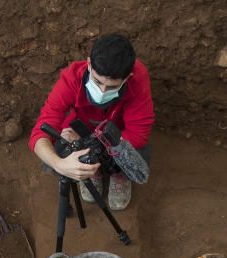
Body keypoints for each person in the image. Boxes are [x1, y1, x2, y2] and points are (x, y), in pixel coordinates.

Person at [29, 33, 154, 211]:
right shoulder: (72, 78)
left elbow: (138, 133)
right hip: (82, 126)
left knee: (134, 152)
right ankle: (93, 168)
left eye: (111, 86)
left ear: (127, 78)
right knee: (59, 144)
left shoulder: (138, 78)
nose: (102, 91)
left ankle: (117, 174)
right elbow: (40, 131)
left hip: (117, 133)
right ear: (88, 64)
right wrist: (59, 164)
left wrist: (88, 144)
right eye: (97, 81)